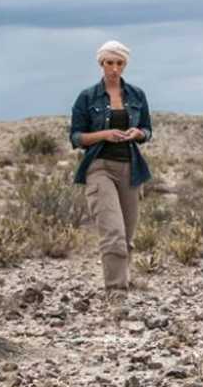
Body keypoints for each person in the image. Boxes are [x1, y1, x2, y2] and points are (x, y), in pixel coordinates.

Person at [69, 40, 153, 297]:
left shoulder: (137, 95)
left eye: (119, 63)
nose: (114, 69)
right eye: (109, 63)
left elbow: (148, 130)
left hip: (130, 168)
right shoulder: (87, 97)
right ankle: (116, 293)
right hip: (99, 167)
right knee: (113, 232)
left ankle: (124, 281)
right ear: (101, 64)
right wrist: (104, 134)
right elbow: (76, 137)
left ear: (124, 65)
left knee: (127, 236)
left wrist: (137, 133)